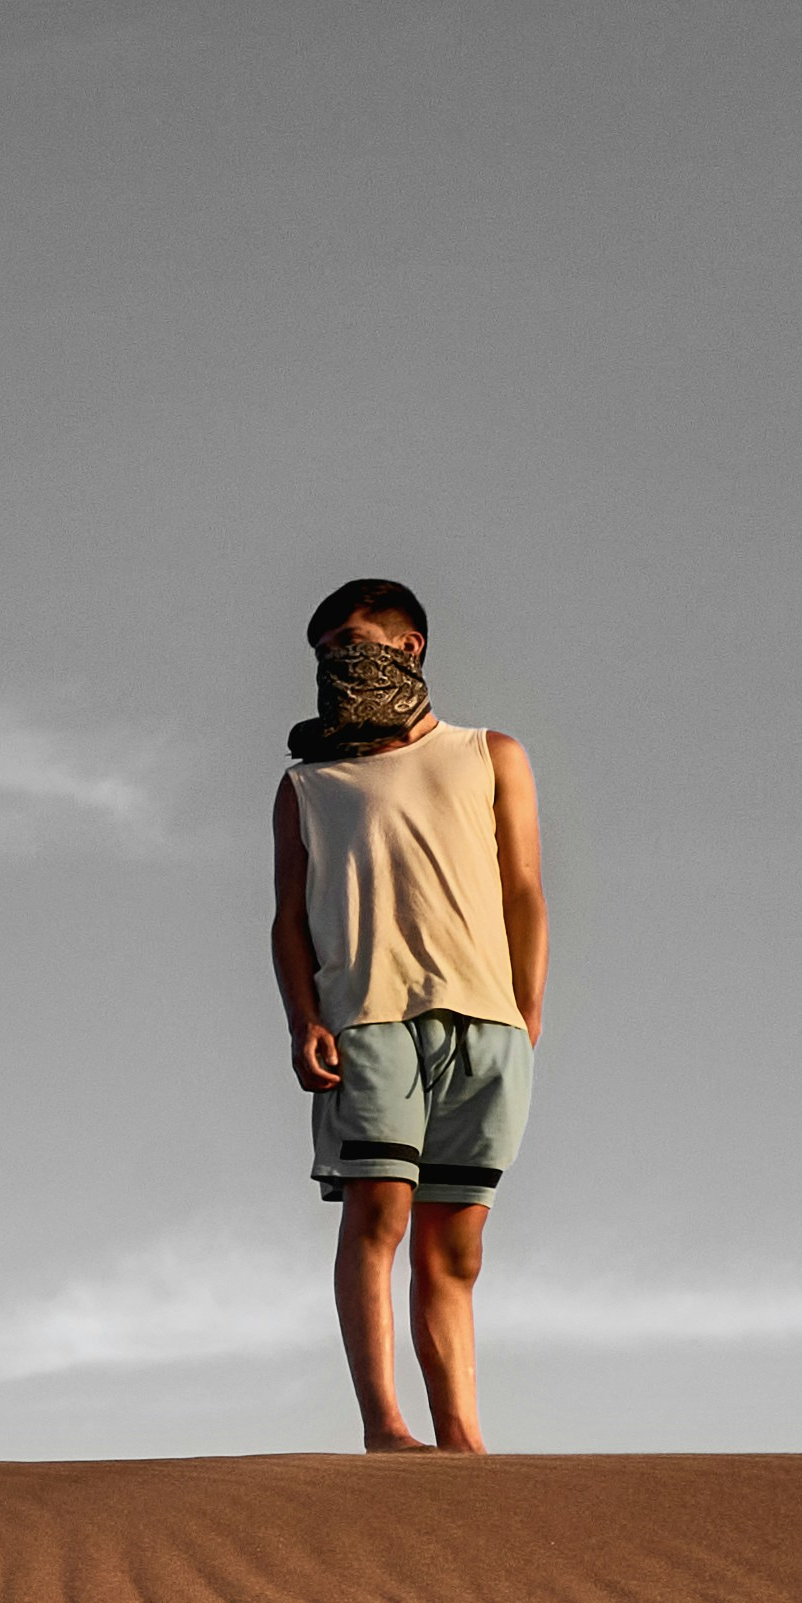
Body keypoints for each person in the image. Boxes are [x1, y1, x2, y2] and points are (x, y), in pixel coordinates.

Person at [260, 577, 545, 1452]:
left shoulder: (490, 752)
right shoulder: (310, 785)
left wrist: (526, 1014)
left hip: (486, 1027)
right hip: (370, 1018)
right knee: (377, 1213)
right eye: (324, 651)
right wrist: (303, 1017)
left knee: (454, 1249)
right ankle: (385, 1427)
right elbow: (288, 915)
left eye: (353, 638)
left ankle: (460, 1437)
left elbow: (524, 888)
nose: (340, 659)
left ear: (408, 645)